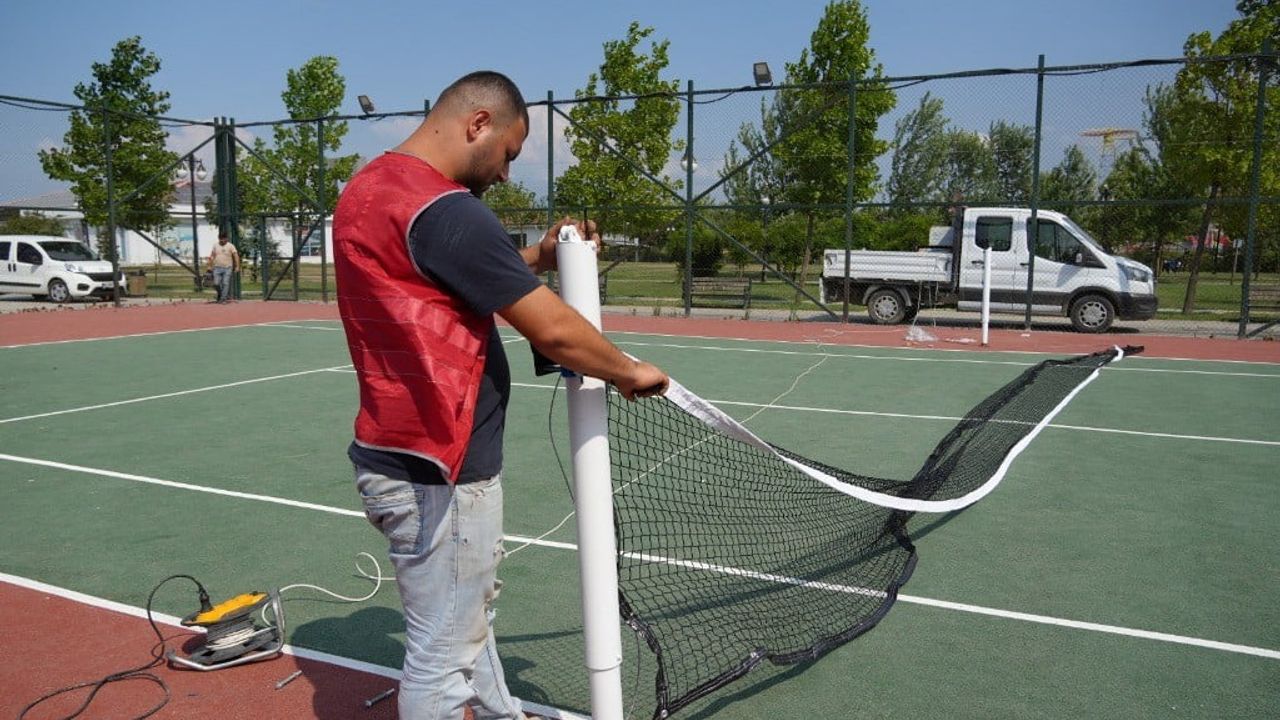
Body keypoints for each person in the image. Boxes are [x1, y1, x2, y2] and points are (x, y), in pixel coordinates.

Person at [332, 70, 668, 720]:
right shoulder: (448, 210)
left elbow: (447, 267)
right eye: (510, 154)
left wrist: (537, 255)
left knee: (464, 618)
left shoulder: (371, 189)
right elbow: (555, 331)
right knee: (441, 658)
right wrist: (628, 370)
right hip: (444, 471)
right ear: (478, 123)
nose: (508, 173)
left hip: (392, 455)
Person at [207, 231, 240, 303]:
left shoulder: (231, 246)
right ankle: (220, 294)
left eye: (223, 239)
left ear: (226, 239)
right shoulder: (215, 245)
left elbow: (236, 256)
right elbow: (212, 255)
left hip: (228, 267)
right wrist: (209, 265)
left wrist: (237, 266)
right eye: (220, 239)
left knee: (225, 283)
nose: (221, 240)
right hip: (217, 267)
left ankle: (223, 298)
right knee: (216, 283)